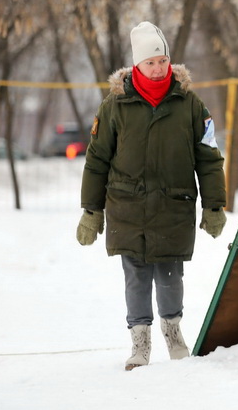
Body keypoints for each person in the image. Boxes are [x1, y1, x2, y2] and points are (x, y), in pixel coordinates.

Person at [76, 21, 227, 370]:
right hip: (127, 206)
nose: (158, 68)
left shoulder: (190, 104)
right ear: (137, 65)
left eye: (162, 61)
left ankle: (173, 333)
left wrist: (214, 205)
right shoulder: (115, 105)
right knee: (136, 277)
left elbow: (208, 157)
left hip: (174, 206)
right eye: (150, 63)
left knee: (171, 275)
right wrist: (91, 210)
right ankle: (139, 342)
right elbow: (97, 160)